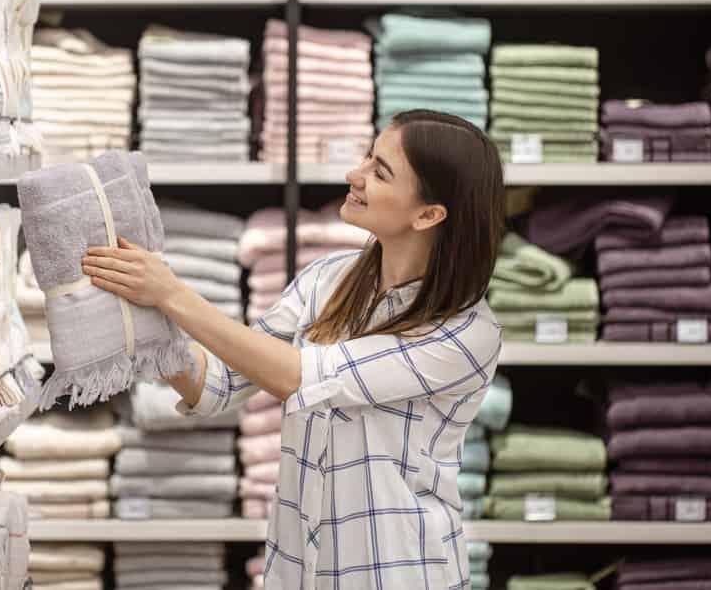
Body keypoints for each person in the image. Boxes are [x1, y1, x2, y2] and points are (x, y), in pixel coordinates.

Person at [81, 109, 506, 589]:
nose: (355, 174)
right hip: (299, 570)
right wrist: (148, 317)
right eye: (368, 156)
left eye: (380, 171)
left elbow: (301, 377)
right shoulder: (328, 280)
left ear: (428, 214)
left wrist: (172, 294)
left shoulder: (465, 331)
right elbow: (218, 384)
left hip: (398, 572)